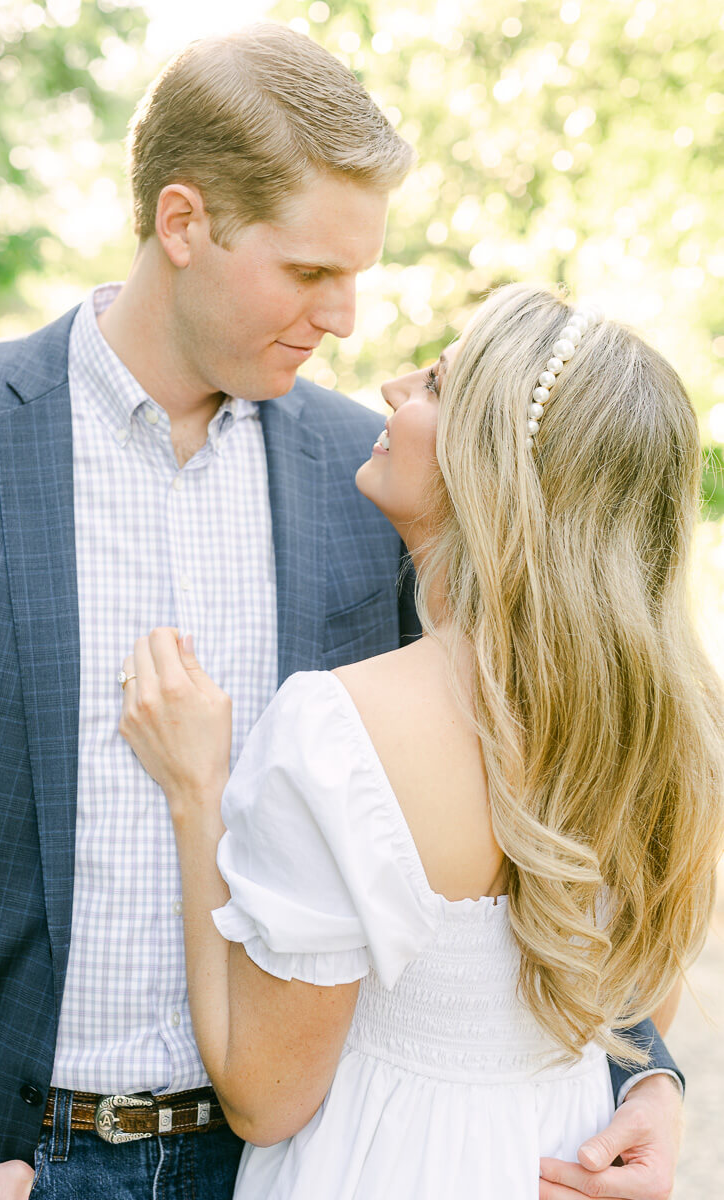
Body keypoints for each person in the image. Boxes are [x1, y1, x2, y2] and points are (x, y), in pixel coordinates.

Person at [0, 21, 683, 1200]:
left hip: (290, 1158)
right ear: (183, 223)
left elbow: (548, 784)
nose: (342, 319)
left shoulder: (372, 483)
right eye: (310, 272)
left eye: (357, 278)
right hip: (8, 1164)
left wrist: (648, 1073)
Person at [119, 283, 724, 1200]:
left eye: (437, 384)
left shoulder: (340, 727)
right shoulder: (673, 728)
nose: (394, 386)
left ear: (493, 464)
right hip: (558, 1160)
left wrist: (196, 791)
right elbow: (631, 1010)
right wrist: (655, 1085)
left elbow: (266, 1097)